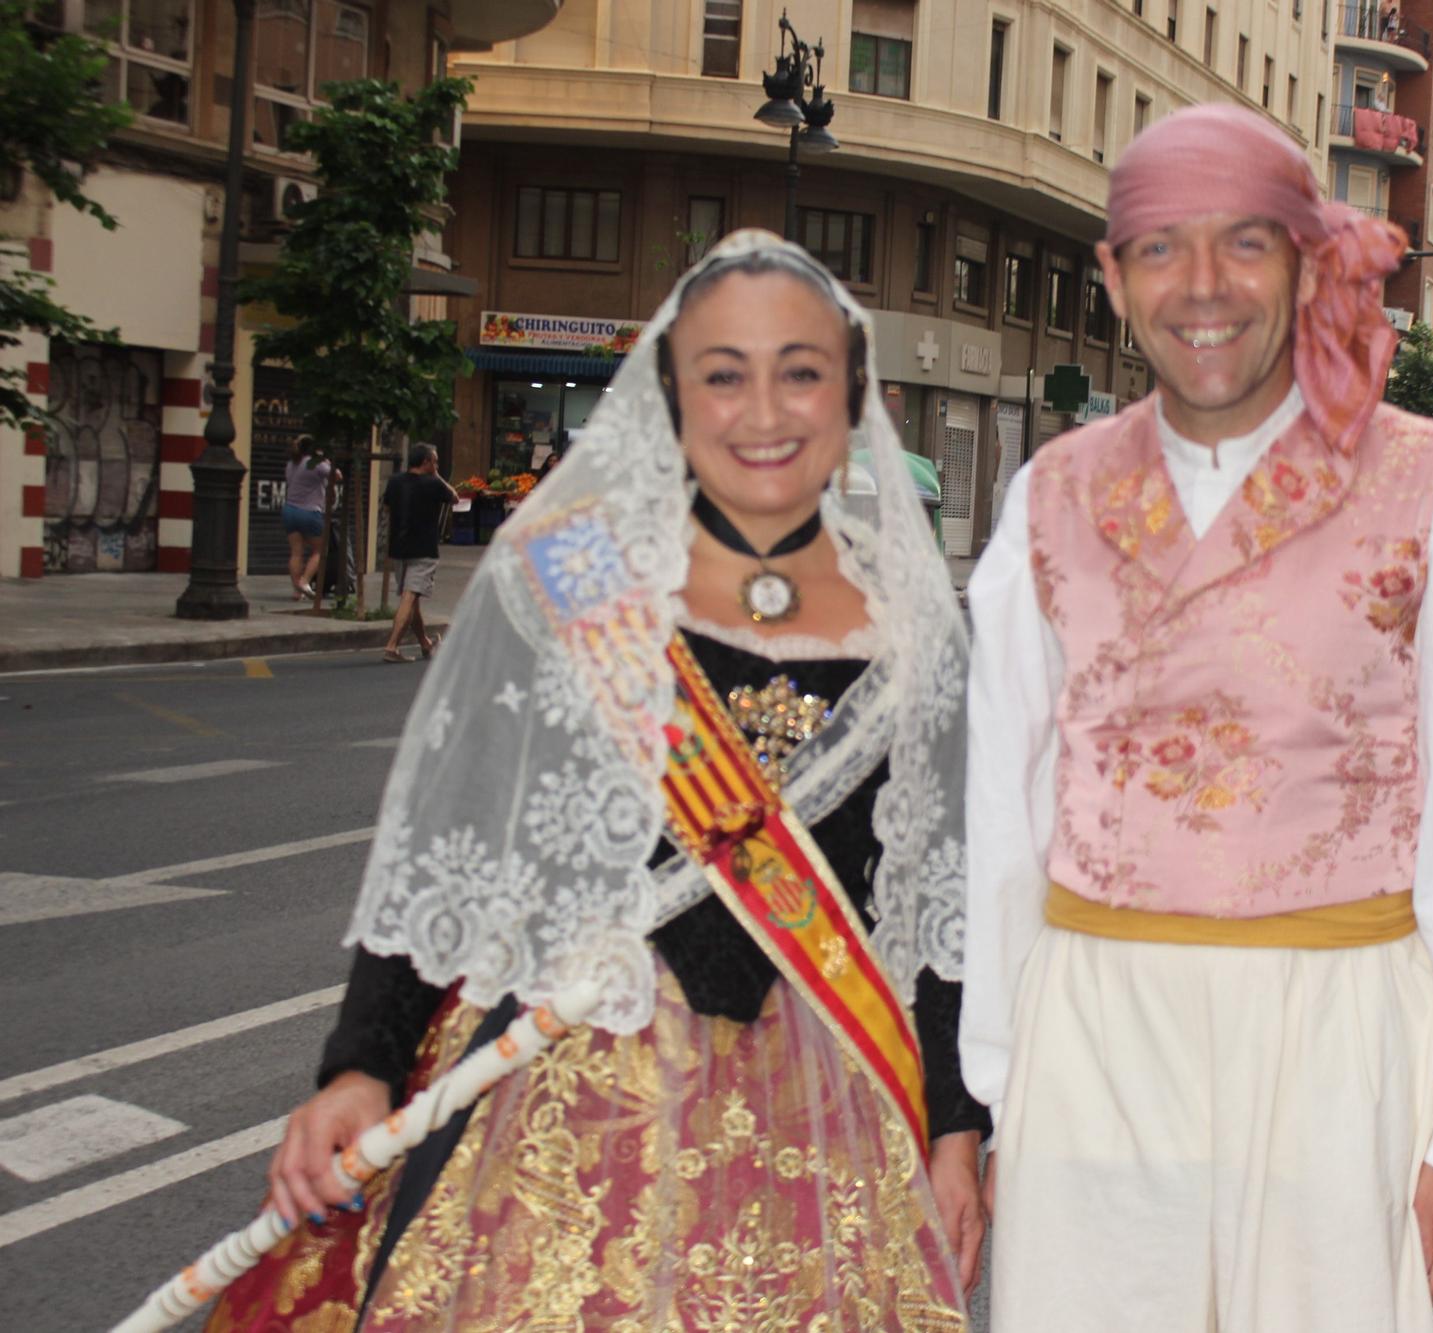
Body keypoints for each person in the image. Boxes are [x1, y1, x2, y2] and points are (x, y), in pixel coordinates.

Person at [204, 232, 986, 1331]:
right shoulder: (568, 577)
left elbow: (939, 907)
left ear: (853, 395)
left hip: (824, 1102)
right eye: (723, 371)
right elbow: (457, 848)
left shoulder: (913, 626)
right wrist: (358, 1067)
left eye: (799, 370)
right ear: (669, 393)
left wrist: (958, 1127)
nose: (761, 409)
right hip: (572, 1079)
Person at [961, 105, 1433, 1333]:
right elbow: (997, 818)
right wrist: (986, 1100)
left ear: (1305, 263)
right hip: (1091, 1045)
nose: (1201, 288)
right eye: (1158, 248)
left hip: (1343, 1045)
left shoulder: (1432, 487)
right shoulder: (1048, 499)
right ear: (1110, 276)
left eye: (1243, 244)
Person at [379, 444, 457, 663]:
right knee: (410, 596)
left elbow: (386, 508)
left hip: (399, 548)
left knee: (411, 599)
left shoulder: (395, 482)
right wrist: (437, 475)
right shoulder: (433, 484)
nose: (437, 465)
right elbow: (455, 498)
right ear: (426, 462)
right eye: (435, 461)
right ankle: (392, 646)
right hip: (424, 549)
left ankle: (425, 643)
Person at [282, 435, 339, 600]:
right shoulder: (317, 463)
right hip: (309, 512)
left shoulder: (291, 464)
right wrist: (328, 463)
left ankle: (297, 591)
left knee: (296, 552)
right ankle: (305, 582)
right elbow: (337, 475)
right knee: (321, 549)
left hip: (289, 510)